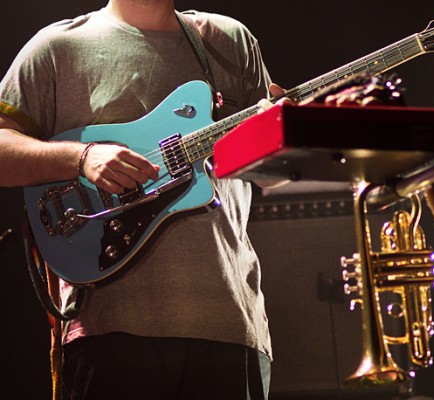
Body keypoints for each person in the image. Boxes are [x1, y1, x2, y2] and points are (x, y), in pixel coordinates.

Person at [0, 0, 286, 398]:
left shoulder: (229, 40)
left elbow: (274, 173)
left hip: (230, 323)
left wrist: (301, 132)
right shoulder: (55, 48)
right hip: (108, 330)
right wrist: (81, 157)